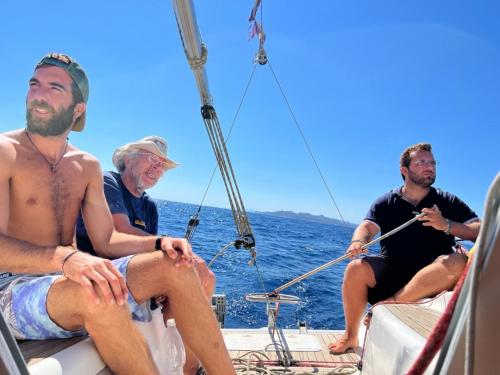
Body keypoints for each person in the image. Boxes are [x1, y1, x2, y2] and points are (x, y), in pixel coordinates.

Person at [0, 52, 235, 375]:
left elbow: (107, 240)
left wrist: (161, 243)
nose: (38, 95)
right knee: (99, 291)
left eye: (54, 88)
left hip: (63, 280)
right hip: (12, 290)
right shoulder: (4, 152)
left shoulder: (87, 166)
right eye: (34, 84)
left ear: (78, 108)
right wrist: (66, 259)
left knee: (177, 266)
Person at [76, 136, 215, 373]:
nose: (157, 168)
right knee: (187, 270)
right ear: (128, 160)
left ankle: (188, 368)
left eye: (162, 165)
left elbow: (145, 250)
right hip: (98, 271)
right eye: (152, 158)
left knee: (205, 278)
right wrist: (167, 250)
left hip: (132, 274)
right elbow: (118, 232)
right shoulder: (108, 183)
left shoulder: (149, 207)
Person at [328, 143, 480, 354]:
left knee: (458, 262)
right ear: (405, 170)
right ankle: (350, 336)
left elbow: (479, 228)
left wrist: (446, 224)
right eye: (422, 163)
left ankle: (387, 306)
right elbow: (367, 227)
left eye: (432, 163)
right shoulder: (386, 201)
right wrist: (357, 242)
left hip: (433, 277)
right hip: (392, 272)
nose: (430, 167)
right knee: (355, 269)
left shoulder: (447, 200)